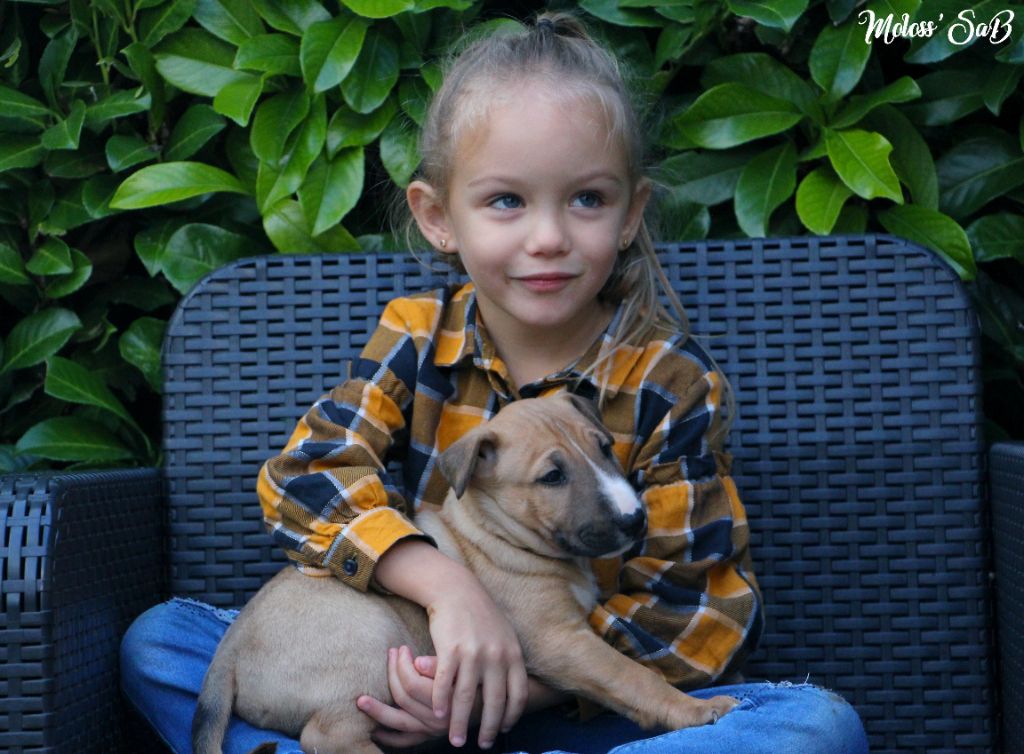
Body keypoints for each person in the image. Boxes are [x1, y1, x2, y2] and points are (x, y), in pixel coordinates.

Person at [121, 12, 870, 754]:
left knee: (813, 727)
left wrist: (500, 689)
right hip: (389, 672)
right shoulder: (417, 335)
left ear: (631, 213)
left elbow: (697, 615)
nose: (548, 238)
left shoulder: (667, 380)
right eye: (507, 200)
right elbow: (306, 476)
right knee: (163, 640)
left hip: (579, 705)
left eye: (587, 199)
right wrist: (447, 589)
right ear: (438, 217)